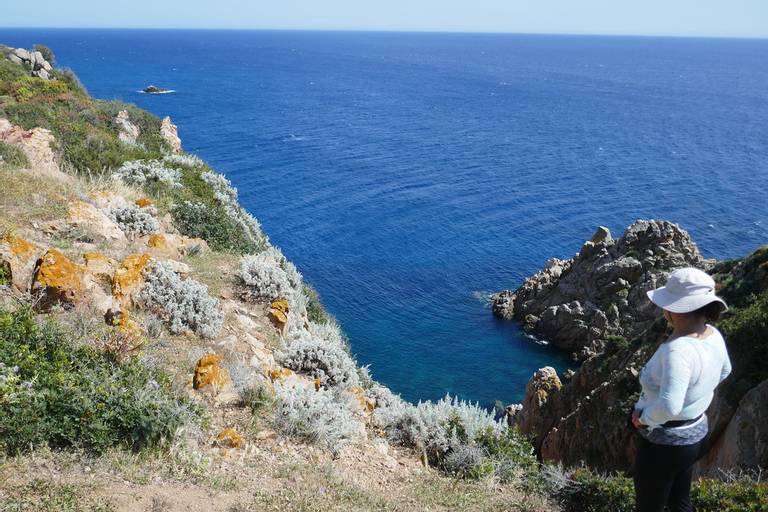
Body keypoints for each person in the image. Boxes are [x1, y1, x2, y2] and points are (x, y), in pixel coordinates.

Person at [631, 267, 732, 512]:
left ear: (672, 309)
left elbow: (669, 406)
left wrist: (643, 419)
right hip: (696, 433)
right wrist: (695, 396)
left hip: (665, 441)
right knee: (680, 502)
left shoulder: (677, 350)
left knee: (648, 506)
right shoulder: (712, 334)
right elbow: (725, 370)